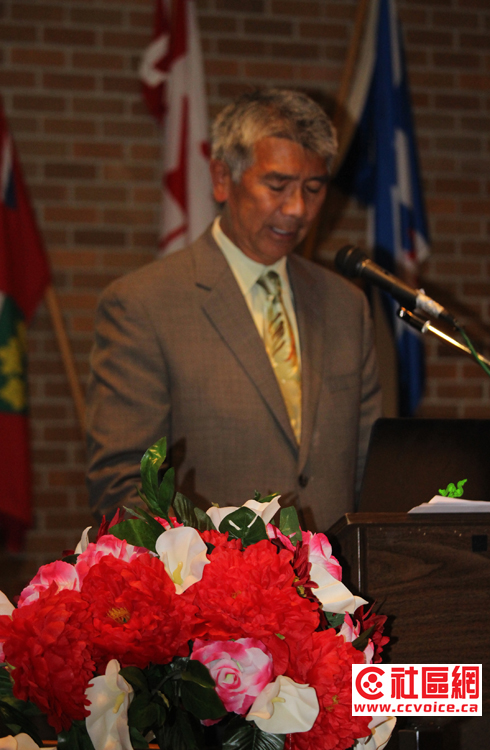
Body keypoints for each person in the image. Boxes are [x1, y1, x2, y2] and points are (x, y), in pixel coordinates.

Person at [86, 89, 381, 532]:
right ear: (222, 178)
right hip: (210, 575)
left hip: (338, 573)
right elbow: (122, 486)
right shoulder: (143, 305)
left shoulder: (347, 305)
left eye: (313, 188)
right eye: (277, 185)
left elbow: (370, 471)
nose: (297, 209)